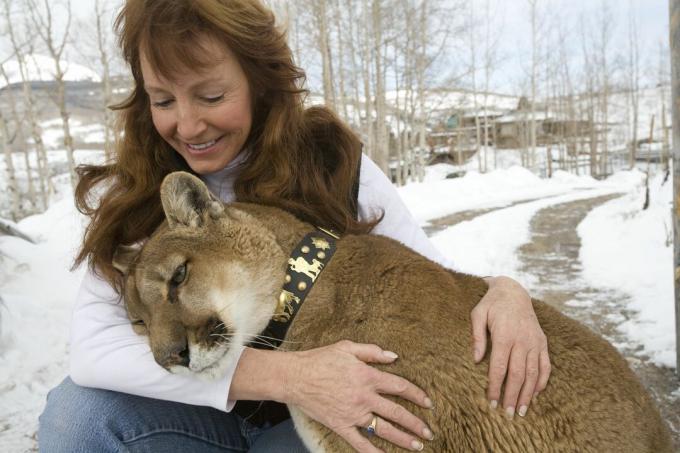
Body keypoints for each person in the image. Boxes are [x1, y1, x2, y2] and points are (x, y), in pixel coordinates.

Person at [38, 0, 551, 451]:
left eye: (212, 96)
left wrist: (503, 290)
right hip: (198, 415)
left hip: (312, 422)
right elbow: (94, 350)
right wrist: (289, 376)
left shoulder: (331, 163)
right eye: (164, 100)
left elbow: (431, 276)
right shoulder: (136, 191)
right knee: (77, 418)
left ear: (260, 84)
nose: (188, 126)